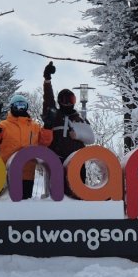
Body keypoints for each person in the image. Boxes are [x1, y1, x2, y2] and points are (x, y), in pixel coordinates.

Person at [41, 61, 95, 194]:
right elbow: (48, 100)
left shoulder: (80, 119)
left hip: (77, 161)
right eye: (63, 100)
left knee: (78, 193)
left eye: (70, 100)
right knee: (57, 193)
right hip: (57, 159)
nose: (67, 103)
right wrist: (47, 79)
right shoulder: (55, 116)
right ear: (59, 102)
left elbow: (91, 138)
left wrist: (77, 134)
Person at [0, 94, 52, 200]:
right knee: (7, 203)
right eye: (18, 105)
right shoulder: (4, 125)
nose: (21, 108)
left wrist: (48, 127)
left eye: (23, 105)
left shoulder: (35, 126)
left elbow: (45, 142)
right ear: (12, 107)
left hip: (28, 173)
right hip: (8, 173)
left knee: (26, 205)